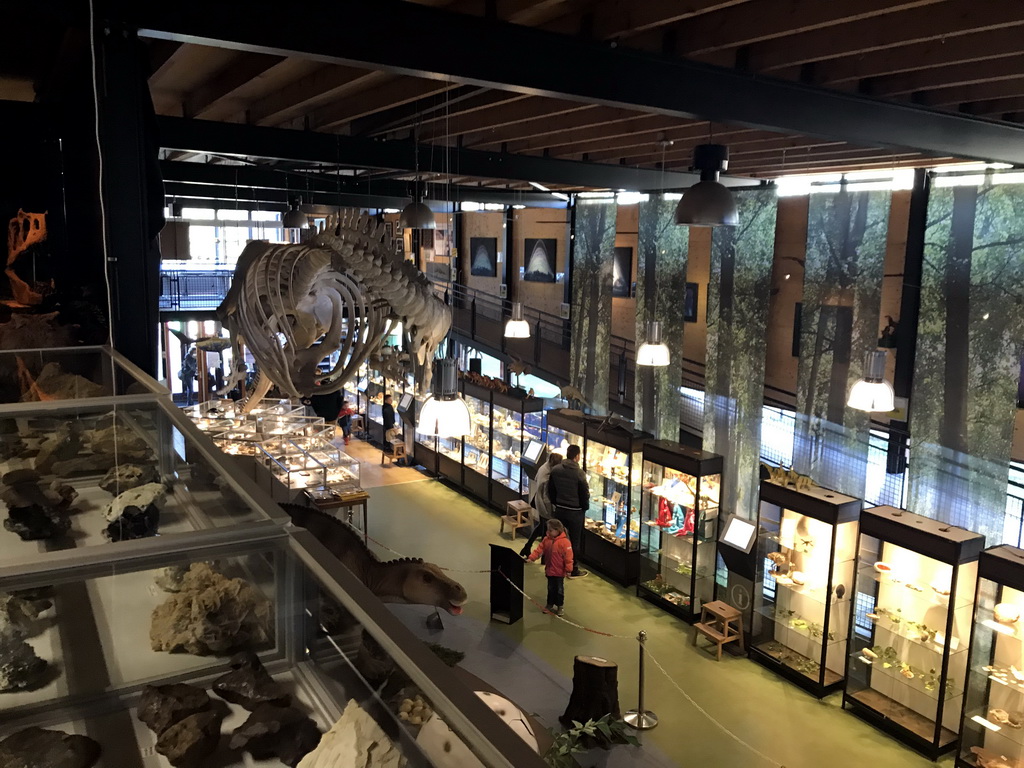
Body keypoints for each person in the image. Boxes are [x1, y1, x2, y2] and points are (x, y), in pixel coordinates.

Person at [546, 444, 589, 578]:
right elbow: (584, 493)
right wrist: (584, 507)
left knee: (558, 538)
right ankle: (573, 569)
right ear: (577, 456)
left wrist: (556, 502)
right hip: (575, 512)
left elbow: (550, 489)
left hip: (560, 509)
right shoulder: (580, 474)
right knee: (574, 542)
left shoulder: (556, 470)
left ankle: (556, 565)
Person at [527, 518, 574, 616]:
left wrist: (569, 570)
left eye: (550, 530)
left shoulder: (565, 542)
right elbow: (539, 550)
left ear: (557, 530)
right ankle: (550, 604)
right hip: (549, 570)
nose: (548, 532)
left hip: (559, 572)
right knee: (550, 589)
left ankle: (560, 606)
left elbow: (568, 558)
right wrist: (532, 558)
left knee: (559, 590)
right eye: (548, 530)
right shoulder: (546, 539)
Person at [520, 452, 562, 557]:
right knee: (546, 531)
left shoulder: (543, 467)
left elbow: (535, 479)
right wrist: (550, 511)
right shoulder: (548, 476)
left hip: (539, 502)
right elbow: (546, 496)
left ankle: (527, 547)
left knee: (541, 527)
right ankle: (544, 556)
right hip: (544, 506)